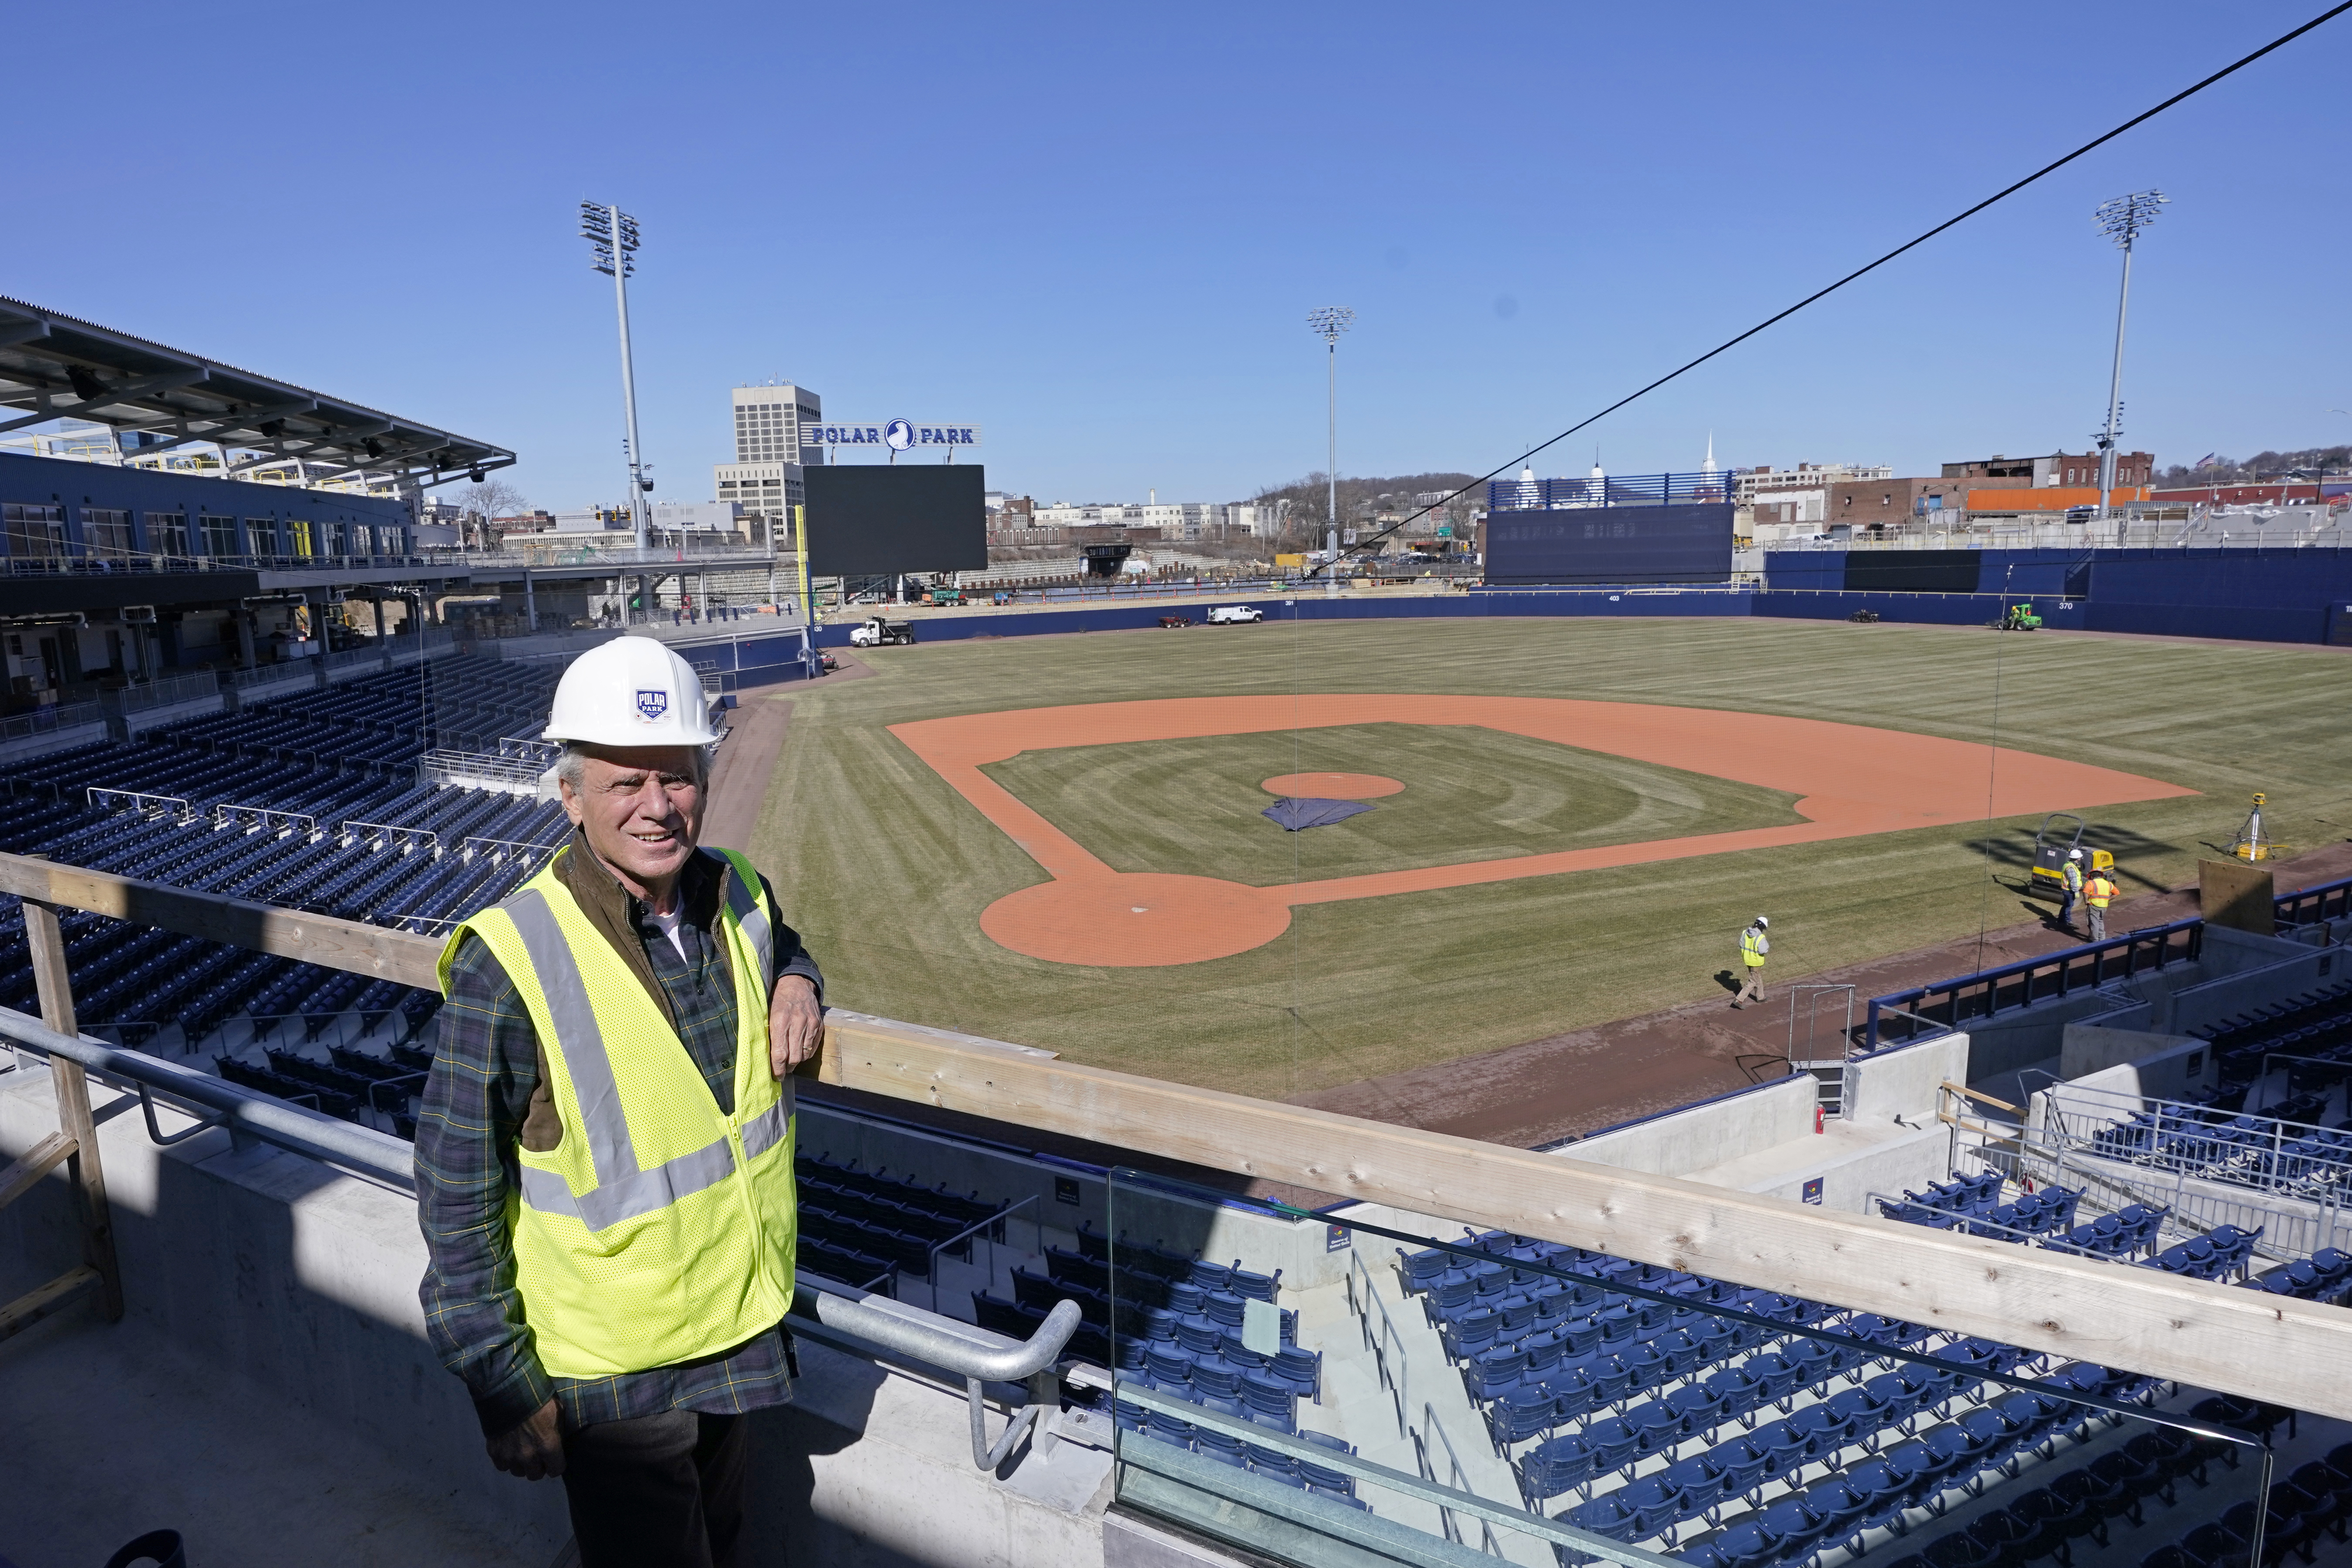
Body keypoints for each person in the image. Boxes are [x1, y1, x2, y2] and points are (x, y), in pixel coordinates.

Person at [416, 635, 825, 1568]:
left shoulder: (738, 893)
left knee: (720, 1544)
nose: (656, 806)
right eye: (624, 783)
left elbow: (782, 938)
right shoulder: (511, 957)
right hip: (613, 1374)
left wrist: (797, 979)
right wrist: (503, 1384)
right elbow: (454, 1189)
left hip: (731, 1328)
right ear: (570, 796)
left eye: (676, 778)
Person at [1734, 915, 1770, 1006]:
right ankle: (1739, 1000)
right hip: (1756, 962)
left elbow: (1741, 944)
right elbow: (1764, 950)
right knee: (1753, 982)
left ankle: (1760, 997)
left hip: (1747, 960)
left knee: (1757, 978)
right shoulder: (1760, 937)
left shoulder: (1745, 932)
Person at [2084, 865, 2119, 941]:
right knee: (2100, 921)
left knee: (2094, 923)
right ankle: (2102, 938)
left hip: (2094, 905)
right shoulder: (2108, 883)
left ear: (2092, 876)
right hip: (2104, 906)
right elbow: (2116, 893)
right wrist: (2108, 899)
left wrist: (2086, 901)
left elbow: (2086, 892)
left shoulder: (2091, 883)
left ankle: (2095, 939)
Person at [2058, 848, 2084, 933]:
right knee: (2069, 906)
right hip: (2070, 890)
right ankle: (2068, 922)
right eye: (2080, 858)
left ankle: (2061, 920)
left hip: (2066, 889)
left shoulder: (2067, 865)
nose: (2080, 859)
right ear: (2077, 859)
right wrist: (2076, 891)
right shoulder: (2071, 868)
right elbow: (2073, 880)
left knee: (2066, 905)